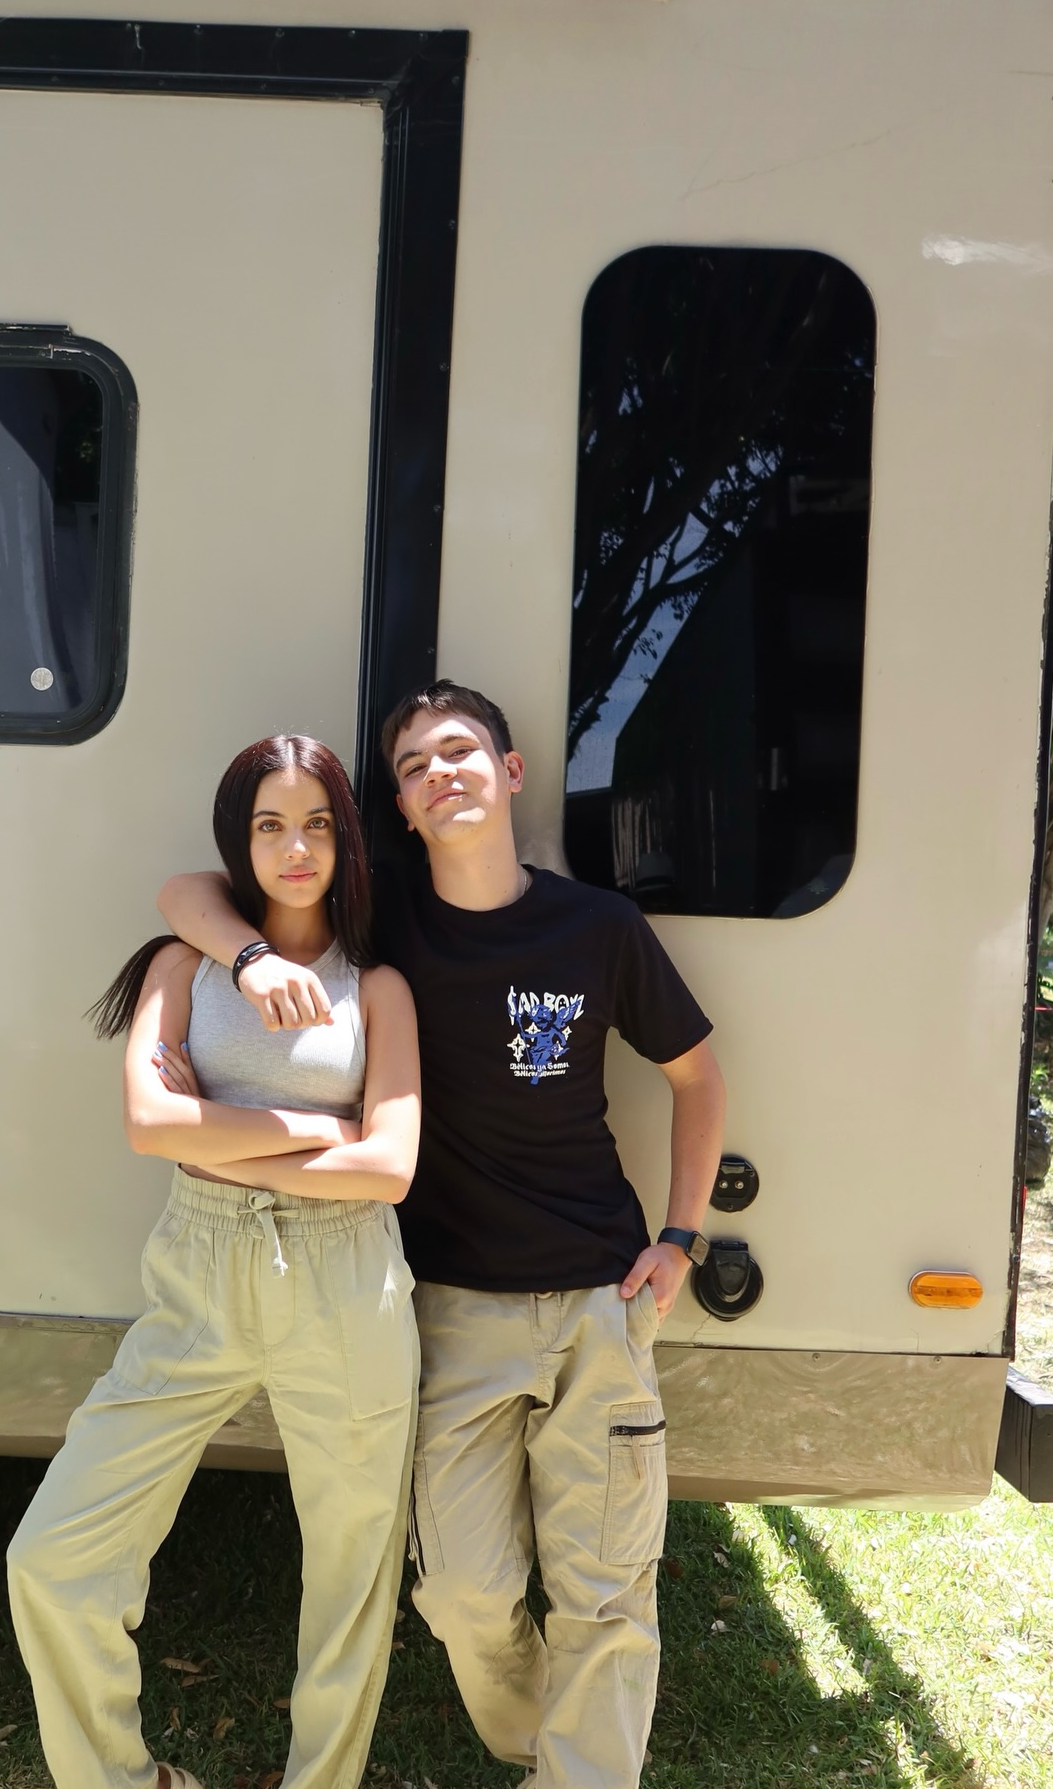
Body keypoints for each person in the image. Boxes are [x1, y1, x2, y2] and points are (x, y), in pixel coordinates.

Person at [158, 682, 726, 1789]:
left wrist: (682, 1236)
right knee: (459, 1592)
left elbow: (697, 1079)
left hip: (602, 1301)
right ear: (403, 814)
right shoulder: (388, 927)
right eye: (415, 768)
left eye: (460, 752)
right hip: (449, 1307)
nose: (440, 774)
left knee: (606, 1588)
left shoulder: (598, 928)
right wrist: (253, 960)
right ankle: (535, 1742)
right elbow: (187, 890)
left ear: (511, 774)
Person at [8, 734, 422, 1789]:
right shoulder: (184, 962)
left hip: (348, 1286)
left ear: (347, 842)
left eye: (318, 825)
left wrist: (230, 1137)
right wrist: (316, 1130)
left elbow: (390, 1169)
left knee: (351, 1575)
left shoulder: (378, 989)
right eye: (269, 825)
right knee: (52, 1555)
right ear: (239, 841)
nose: (296, 848)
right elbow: (152, 1123)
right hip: (198, 1274)